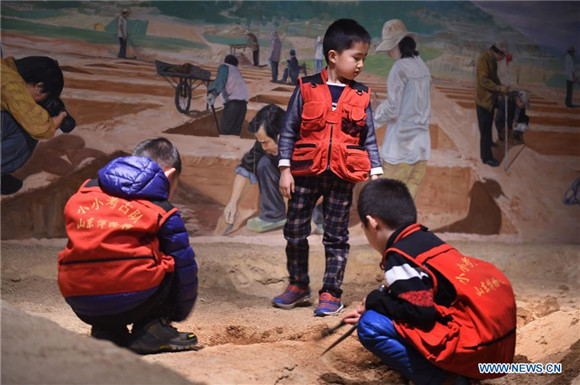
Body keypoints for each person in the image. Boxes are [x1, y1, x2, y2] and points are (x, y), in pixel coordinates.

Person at [343, 178, 517, 384]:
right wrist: (382, 302)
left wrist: (375, 301)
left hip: (476, 350)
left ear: (372, 223)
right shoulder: (426, 239)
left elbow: (421, 314)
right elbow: (424, 291)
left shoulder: (397, 256)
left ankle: (448, 379)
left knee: (370, 325)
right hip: (499, 348)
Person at [274, 19, 383, 317]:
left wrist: (375, 172)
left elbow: (368, 138)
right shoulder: (306, 87)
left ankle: (331, 293)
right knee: (295, 231)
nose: (360, 65)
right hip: (305, 175)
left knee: (336, 236)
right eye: (356, 58)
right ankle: (298, 285)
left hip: (341, 177)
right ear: (334, 56)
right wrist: (285, 169)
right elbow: (289, 130)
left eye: (364, 59)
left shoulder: (361, 95)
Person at [58, 137, 199, 354]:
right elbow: (184, 267)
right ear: (169, 175)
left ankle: (107, 332)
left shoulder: (85, 193)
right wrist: (176, 313)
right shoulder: (161, 210)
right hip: (137, 301)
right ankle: (151, 329)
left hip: (80, 301)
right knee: (170, 259)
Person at [223, 104, 324, 233]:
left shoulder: (304, 141)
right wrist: (232, 203)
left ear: (280, 135)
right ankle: (273, 215)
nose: (263, 147)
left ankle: (319, 219)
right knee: (264, 163)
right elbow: (245, 169)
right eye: (261, 142)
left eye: (266, 142)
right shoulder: (263, 144)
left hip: (317, 184)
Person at [373, 19, 431, 200]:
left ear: (399, 45)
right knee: (406, 205)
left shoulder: (399, 68)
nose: (389, 52)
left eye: (390, 47)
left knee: (386, 202)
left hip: (400, 150)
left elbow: (392, 109)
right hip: (421, 149)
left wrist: (374, 117)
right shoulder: (422, 66)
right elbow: (408, 104)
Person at [1, 55, 67, 195]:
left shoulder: (6, 69)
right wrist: (57, 120)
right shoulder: (12, 84)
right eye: (46, 97)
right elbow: (38, 126)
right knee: (27, 128)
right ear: (39, 87)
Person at [476, 40, 510, 167]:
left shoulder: (492, 61)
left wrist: (501, 87)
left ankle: (489, 142)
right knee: (484, 130)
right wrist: (499, 89)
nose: (502, 59)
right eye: (502, 56)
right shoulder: (483, 60)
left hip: (490, 101)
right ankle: (486, 157)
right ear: (497, 52)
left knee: (488, 125)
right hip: (484, 101)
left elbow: (494, 79)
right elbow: (484, 81)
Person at [207, 55, 249, 136]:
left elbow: (220, 80)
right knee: (235, 134)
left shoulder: (225, 67)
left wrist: (213, 94)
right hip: (243, 106)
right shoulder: (236, 71)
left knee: (225, 132)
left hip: (233, 105)